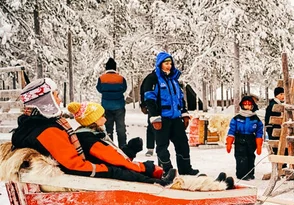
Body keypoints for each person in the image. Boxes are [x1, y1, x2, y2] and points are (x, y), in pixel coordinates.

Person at [11, 78, 173, 186]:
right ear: (45, 101)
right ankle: (155, 184)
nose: (59, 100)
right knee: (118, 172)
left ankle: (154, 178)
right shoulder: (47, 131)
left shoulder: (32, 126)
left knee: (118, 168)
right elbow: (74, 165)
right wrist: (105, 169)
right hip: (75, 177)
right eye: (55, 95)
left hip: (68, 172)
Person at [66, 101, 175, 184]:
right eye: (102, 116)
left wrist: (130, 150)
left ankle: (158, 176)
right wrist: (145, 167)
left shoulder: (92, 134)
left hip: (104, 165)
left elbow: (112, 155)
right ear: (92, 120)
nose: (105, 119)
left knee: (130, 169)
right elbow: (113, 158)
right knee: (130, 174)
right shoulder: (88, 138)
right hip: (103, 170)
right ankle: (159, 184)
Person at [142, 52, 198, 175]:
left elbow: (180, 98)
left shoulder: (173, 80)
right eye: (166, 63)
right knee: (162, 146)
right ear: (159, 64)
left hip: (175, 118)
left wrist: (184, 113)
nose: (169, 66)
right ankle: (166, 170)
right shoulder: (152, 79)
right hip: (161, 119)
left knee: (182, 143)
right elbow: (149, 100)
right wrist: (155, 117)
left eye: (170, 63)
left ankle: (186, 169)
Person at [226, 96, 264, 180]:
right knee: (241, 157)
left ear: (252, 106)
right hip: (240, 138)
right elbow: (232, 130)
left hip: (251, 139)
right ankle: (242, 174)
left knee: (251, 156)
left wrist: (259, 145)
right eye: (245, 105)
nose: (247, 106)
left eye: (249, 105)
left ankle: (250, 173)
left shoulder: (255, 118)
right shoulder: (237, 118)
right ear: (242, 105)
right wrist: (229, 142)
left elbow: (259, 131)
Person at [96, 57, 128, 148]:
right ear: (115, 68)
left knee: (109, 128)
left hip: (106, 106)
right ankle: (123, 146)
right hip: (119, 106)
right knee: (121, 127)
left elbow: (99, 89)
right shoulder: (121, 78)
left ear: (106, 68)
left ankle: (111, 146)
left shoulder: (101, 78)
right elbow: (124, 88)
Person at [140, 71, 156, 157]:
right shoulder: (151, 78)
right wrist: (144, 104)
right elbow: (143, 91)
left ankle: (155, 148)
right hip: (152, 105)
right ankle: (150, 148)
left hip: (162, 106)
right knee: (151, 126)